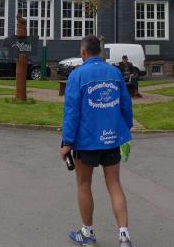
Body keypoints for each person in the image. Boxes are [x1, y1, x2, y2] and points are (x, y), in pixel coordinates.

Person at [61, 35, 134, 247]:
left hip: (86, 141)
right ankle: (124, 236)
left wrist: (67, 142)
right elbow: (126, 105)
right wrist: (125, 129)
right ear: (100, 52)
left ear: (84, 53)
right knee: (114, 184)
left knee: (84, 184)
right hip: (111, 138)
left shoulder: (77, 75)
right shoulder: (115, 73)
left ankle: (88, 233)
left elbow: (72, 112)